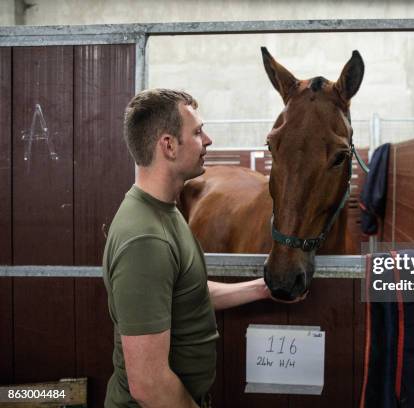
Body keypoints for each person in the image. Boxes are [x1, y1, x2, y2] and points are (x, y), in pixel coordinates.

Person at [102, 88, 299, 408]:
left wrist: (262, 289)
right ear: (168, 145)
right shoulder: (145, 240)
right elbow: (149, 385)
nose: (207, 140)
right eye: (197, 132)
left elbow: (184, 293)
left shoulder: (165, 211)